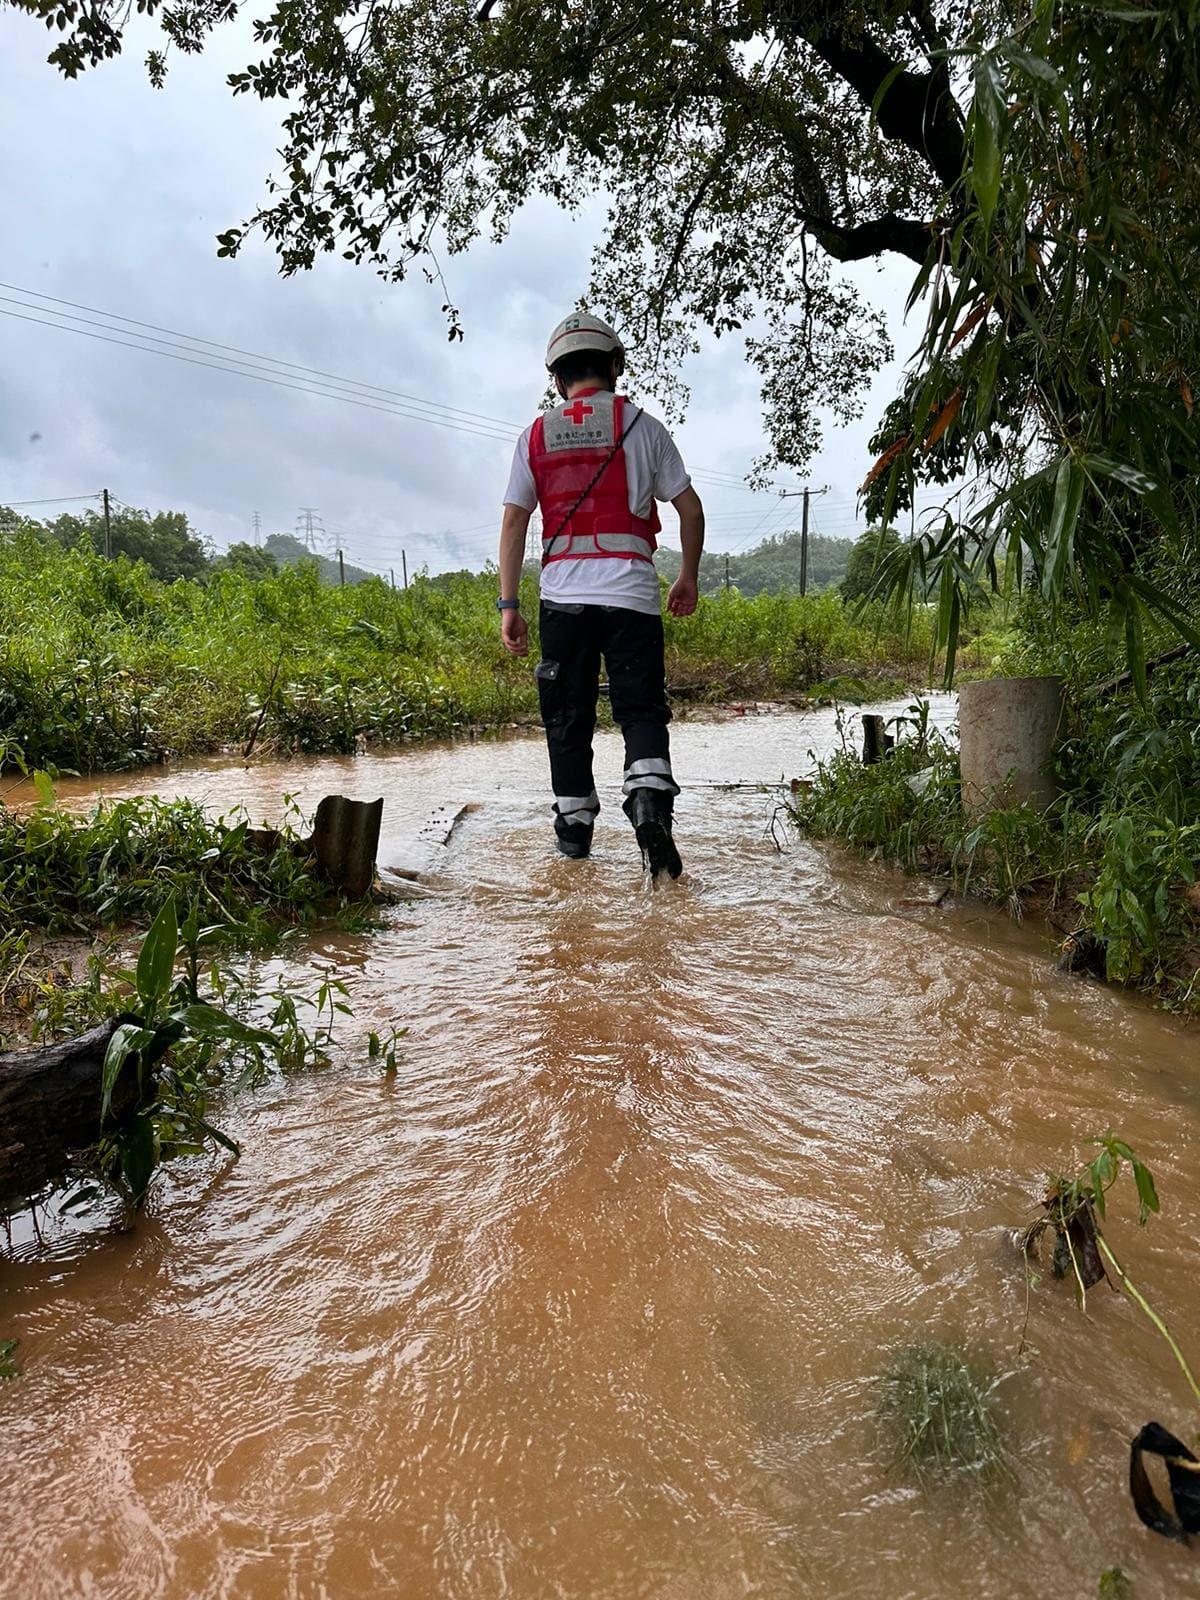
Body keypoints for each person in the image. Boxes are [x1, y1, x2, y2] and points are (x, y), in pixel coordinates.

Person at [497, 312, 705, 879]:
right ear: (614, 367)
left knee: (568, 719)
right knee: (640, 710)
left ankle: (574, 840)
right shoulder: (644, 427)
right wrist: (686, 576)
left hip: (563, 599)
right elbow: (689, 508)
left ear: (559, 378)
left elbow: (515, 522)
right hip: (633, 597)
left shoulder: (534, 436)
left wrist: (509, 604)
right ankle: (647, 807)